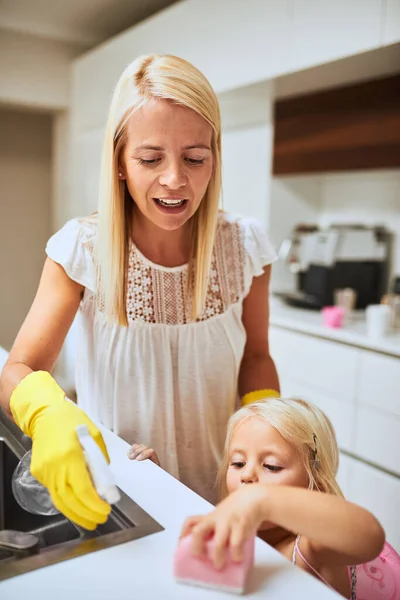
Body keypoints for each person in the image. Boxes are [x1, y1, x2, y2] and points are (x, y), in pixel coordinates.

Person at [0, 54, 279, 530]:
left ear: (215, 157)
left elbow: (255, 356)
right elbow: (20, 368)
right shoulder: (82, 249)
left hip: (222, 500)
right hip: (122, 496)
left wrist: (270, 438)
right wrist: (46, 413)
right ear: (121, 164)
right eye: (150, 158)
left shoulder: (245, 246)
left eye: (195, 157)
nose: (175, 179)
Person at [180, 398, 388, 599]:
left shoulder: (310, 551)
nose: (247, 475)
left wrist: (263, 500)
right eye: (238, 463)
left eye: (272, 466)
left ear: (315, 483)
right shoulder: (238, 533)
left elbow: (370, 535)